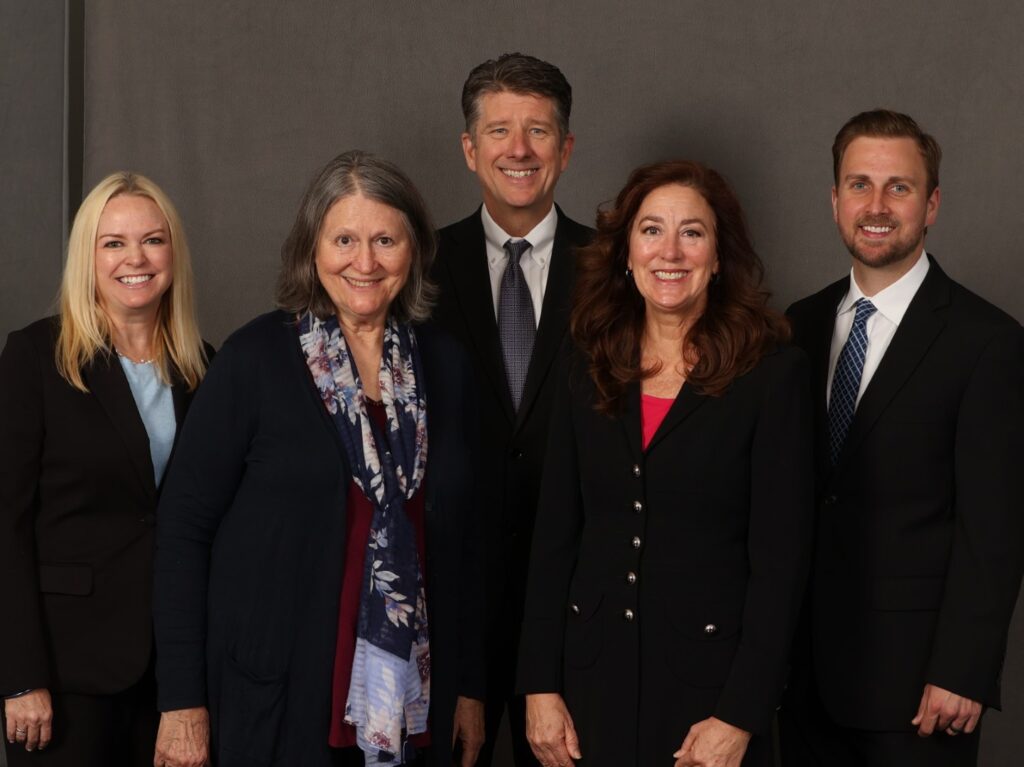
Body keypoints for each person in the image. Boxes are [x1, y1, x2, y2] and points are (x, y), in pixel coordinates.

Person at [152, 150, 485, 767]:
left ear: (413, 251)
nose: (365, 262)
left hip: (414, 700)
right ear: (312, 249)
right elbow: (182, 530)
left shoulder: (445, 366)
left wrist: (469, 686)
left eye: (385, 240)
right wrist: (181, 703)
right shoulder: (253, 360)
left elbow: (466, 546)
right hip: (278, 695)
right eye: (344, 240)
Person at [517, 160, 814, 767]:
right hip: (589, 687)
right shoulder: (585, 361)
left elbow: (781, 568)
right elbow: (553, 537)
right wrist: (539, 685)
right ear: (626, 252)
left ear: (719, 255)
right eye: (651, 230)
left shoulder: (773, 375)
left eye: (692, 232)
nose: (669, 251)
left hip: (710, 694)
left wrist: (741, 714)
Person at [779, 109, 1024, 767]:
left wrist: (964, 669)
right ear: (835, 200)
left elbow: (995, 528)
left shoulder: (987, 342)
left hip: (919, 691)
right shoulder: (796, 327)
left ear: (932, 203)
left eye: (900, 187)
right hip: (802, 681)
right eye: (859, 184)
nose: (877, 206)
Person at [0, 172, 209, 765]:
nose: (135, 259)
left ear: (173, 253)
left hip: (170, 674)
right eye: (113, 243)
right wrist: (19, 676)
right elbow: (4, 523)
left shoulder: (203, 369)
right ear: (86, 258)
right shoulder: (35, 358)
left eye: (153, 240)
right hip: (64, 675)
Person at [430, 53, 592, 767]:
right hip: (449, 597)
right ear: (471, 149)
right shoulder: (416, 267)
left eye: (538, 131)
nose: (519, 149)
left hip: (578, 603)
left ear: (567, 147)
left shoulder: (620, 268)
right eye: (499, 131)